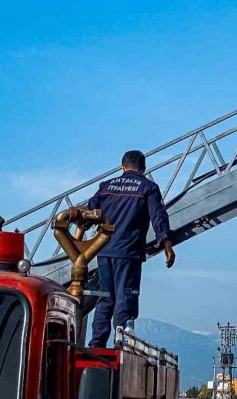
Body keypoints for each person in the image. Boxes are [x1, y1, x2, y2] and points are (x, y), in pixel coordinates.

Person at [87, 149, 176, 347]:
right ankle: (122, 344)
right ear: (144, 168)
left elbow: (89, 210)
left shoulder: (106, 186)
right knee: (126, 296)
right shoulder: (148, 187)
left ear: (122, 167)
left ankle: (96, 344)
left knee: (105, 297)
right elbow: (158, 216)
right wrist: (167, 244)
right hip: (128, 251)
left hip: (103, 250)